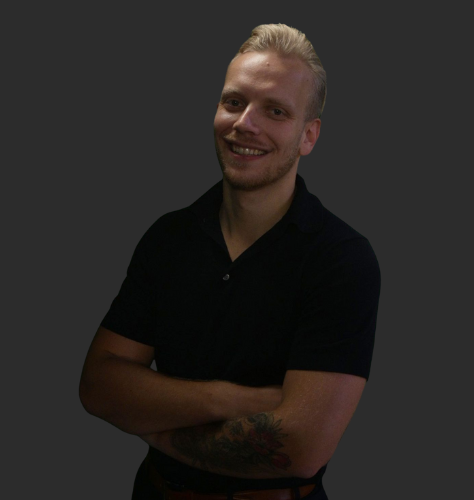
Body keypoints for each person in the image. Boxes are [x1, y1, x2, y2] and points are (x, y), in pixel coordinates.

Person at [79, 23, 381, 500]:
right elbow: (99, 386)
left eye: (275, 111)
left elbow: (300, 449)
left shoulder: (340, 259)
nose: (245, 124)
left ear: (309, 136)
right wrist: (229, 398)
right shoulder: (168, 238)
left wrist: (157, 429)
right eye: (234, 102)